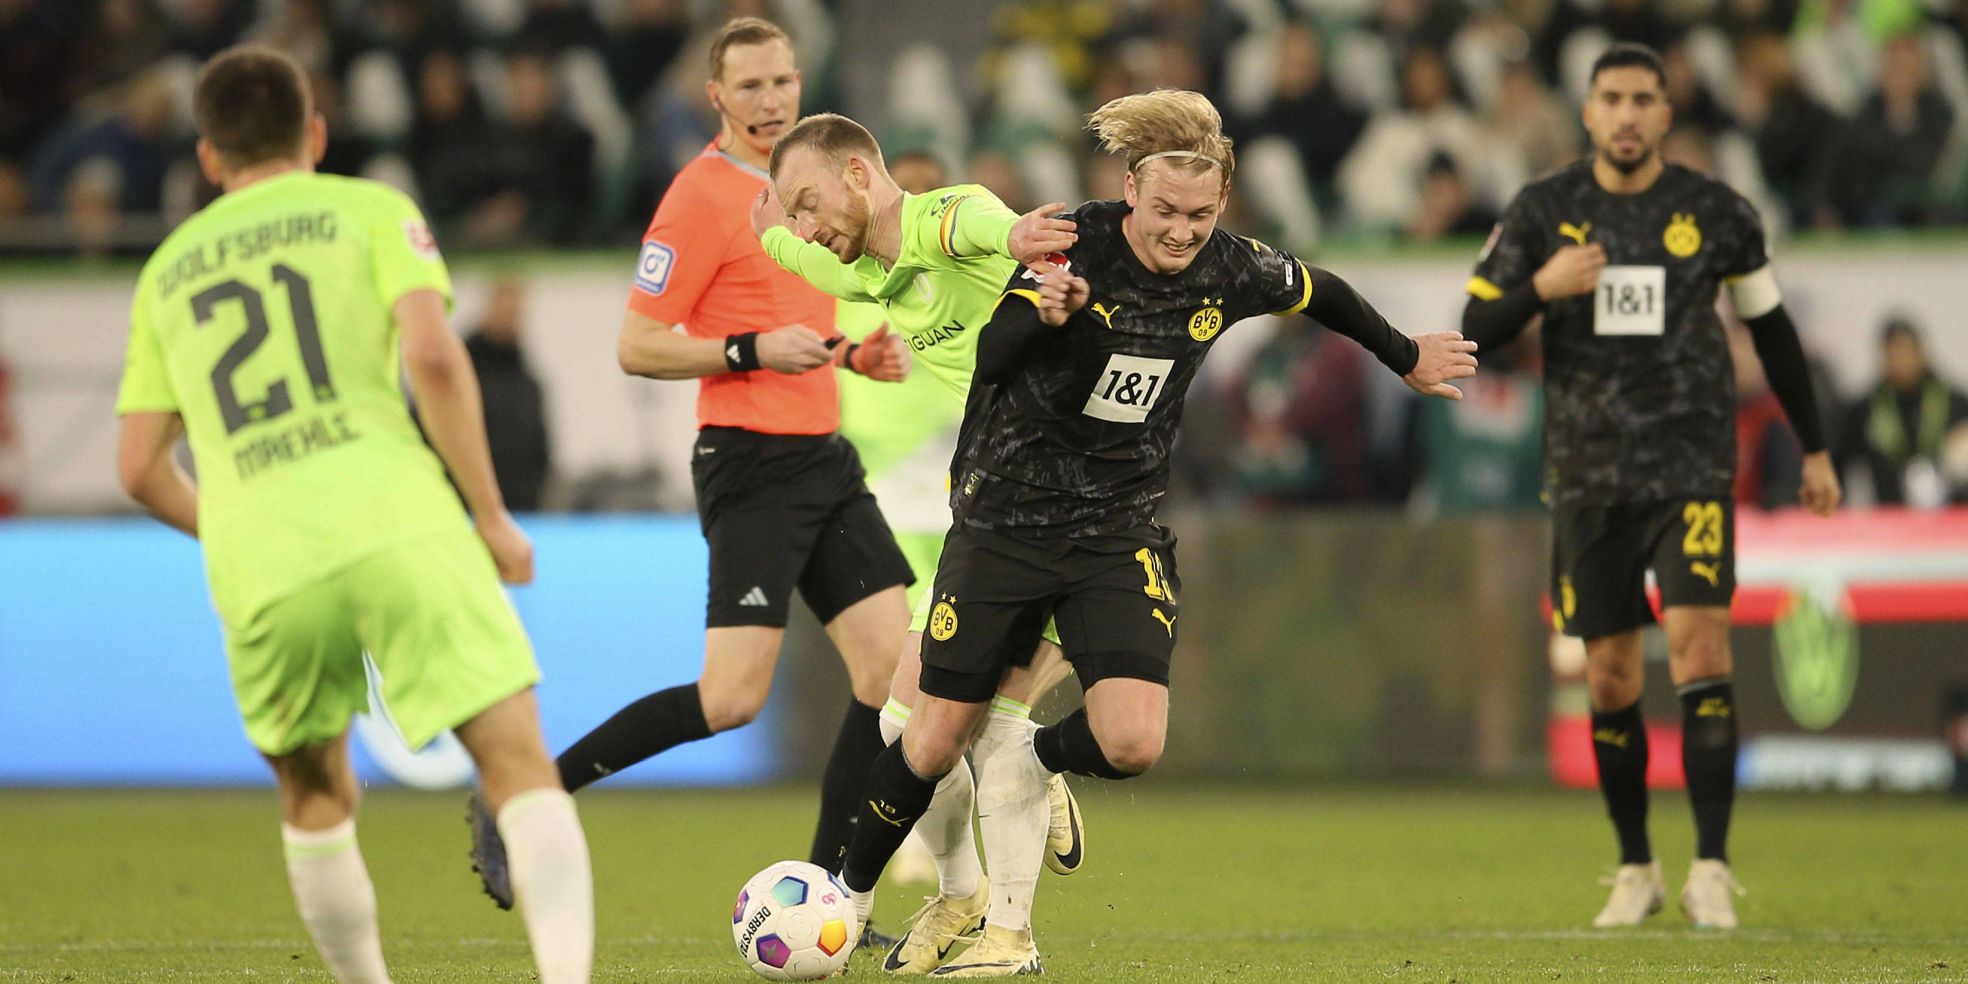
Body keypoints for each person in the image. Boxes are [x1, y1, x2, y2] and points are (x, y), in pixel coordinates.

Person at [823, 89, 1474, 973]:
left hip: (1115, 527)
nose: (1181, 232)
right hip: (1004, 517)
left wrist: (1404, 354)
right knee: (933, 738)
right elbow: (992, 355)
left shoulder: (1231, 266)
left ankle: (1035, 774)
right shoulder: (1069, 239)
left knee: (1131, 741)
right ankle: (849, 901)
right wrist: (1045, 315)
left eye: (1201, 215)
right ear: (1131, 189)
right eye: (1165, 211)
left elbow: (1320, 290)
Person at [113, 46, 592, 983]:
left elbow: (137, 468)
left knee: (315, 793)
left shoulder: (166, 271)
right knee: (515, 763)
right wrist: (490, 515)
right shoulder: (371, 209)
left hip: (264, 562)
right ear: (317, 134)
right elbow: (437, 358)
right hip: (394, 519)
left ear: (208, 159)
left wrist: (240, 524)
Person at [467, 18, 915, 949]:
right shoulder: (698, 197)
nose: (771, 101)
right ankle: (522, 793)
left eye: (784, 82)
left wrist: (848, 355)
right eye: (749, 86)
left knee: (891, 674)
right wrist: (749, 350)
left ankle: (831, 895)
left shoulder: (814, 189)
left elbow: (793, 321)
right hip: (748, 463)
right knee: (731, 699)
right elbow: (636, 344)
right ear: (715, 96)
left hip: (824, 456)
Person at [1460, 43, 1841, 930]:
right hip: (1588, 473)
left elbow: (1772, 331)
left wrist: (1815, 449)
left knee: (1703, 648)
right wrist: (1542, 288)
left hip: (1692, 464)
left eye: (1643, 99)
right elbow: (1478, 319)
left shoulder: (1715, 214)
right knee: (1610, 676)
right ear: (1588, 113)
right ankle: (1637, 866)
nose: (1627, 115)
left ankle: (1711, 865)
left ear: (1667, 115)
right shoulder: (1543, 211)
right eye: (1611, 99)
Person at [756, 113, 1086, 975]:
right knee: (910, 725)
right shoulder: (863, 272)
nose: (805, 225)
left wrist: (1017, 235)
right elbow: (786, 249)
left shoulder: (948, 222)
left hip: (1067, 498)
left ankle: (1006, 925)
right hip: (989, 503)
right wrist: (769, 218)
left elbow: (979, 221)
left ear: (860, 178)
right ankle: (966, 892)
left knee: (990, 725)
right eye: (795, 209)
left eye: (811, 203)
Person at [1835, 317, 1968, 506]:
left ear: (1921, 352)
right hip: (1890, 519)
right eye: (1894, 352)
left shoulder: (1956, 403)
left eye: (1907, 351)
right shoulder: (1864, 409)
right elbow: (1838, 463)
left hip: (1949, 518)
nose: (1902, 360)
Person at [465, 276, 552, 512]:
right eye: (506, 308)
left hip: (521, 509)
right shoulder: (460, 375)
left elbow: (541, 449)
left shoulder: (528, 382)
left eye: (517, 312)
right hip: (465, 507)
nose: (511, 319)